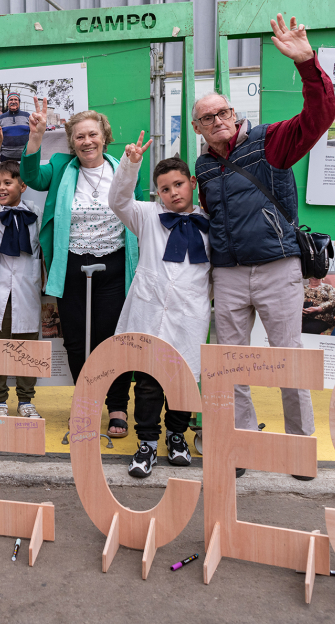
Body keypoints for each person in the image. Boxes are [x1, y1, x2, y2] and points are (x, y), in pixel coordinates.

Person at [191, 13, 335, 479]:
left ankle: (300, 449)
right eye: (207, 118)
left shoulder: (270, 141)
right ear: (198, 127)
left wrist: (308, 65)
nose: (218, 121)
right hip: (229, 274)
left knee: (288, 359)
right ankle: (240, 446)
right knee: (229, 366)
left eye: (223, 112)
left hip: (277, 267)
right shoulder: (203, 167)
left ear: (234, 113)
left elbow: (320, 117)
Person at [21, 100, 138, 439]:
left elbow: (137, 213)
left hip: (115, 264)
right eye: (80, 137)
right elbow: (30, 176)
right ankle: (85, 402)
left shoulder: (124, 168)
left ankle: (117, 404)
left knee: (112, 339)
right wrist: (36, 137)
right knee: (75, 340)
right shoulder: (60, 166)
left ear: (105, 137)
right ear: (72, 142)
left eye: (93, 135)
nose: (87, 142)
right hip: (72, 264)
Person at [108, 133, 211, 479]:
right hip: (149, 313)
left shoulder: (211, 223)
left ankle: (177, 436)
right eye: (165, 189)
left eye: (178, 184)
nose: (173, 193)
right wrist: (130, 164)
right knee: (149, 383)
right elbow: (118, 199)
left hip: (190, 316)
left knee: (183, 382)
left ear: (192, 183)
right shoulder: (147, 216)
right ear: (157, 193)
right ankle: (147, 444)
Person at [0, 126, 45, 418]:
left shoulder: (36, 215)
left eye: (8, 182)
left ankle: (26, 399)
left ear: (23, 185)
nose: (1, 188)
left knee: (27, 345)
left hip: (27, 289)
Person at [0, 92, 32, 162]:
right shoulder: (1, 117)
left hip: (25, 155)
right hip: (6, 157)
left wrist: (30, 152)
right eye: (11, 100)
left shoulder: (27, 116)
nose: (13, 101)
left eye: (16, 99)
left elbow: (33, 135)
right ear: (7, 102)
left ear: (19, 102)